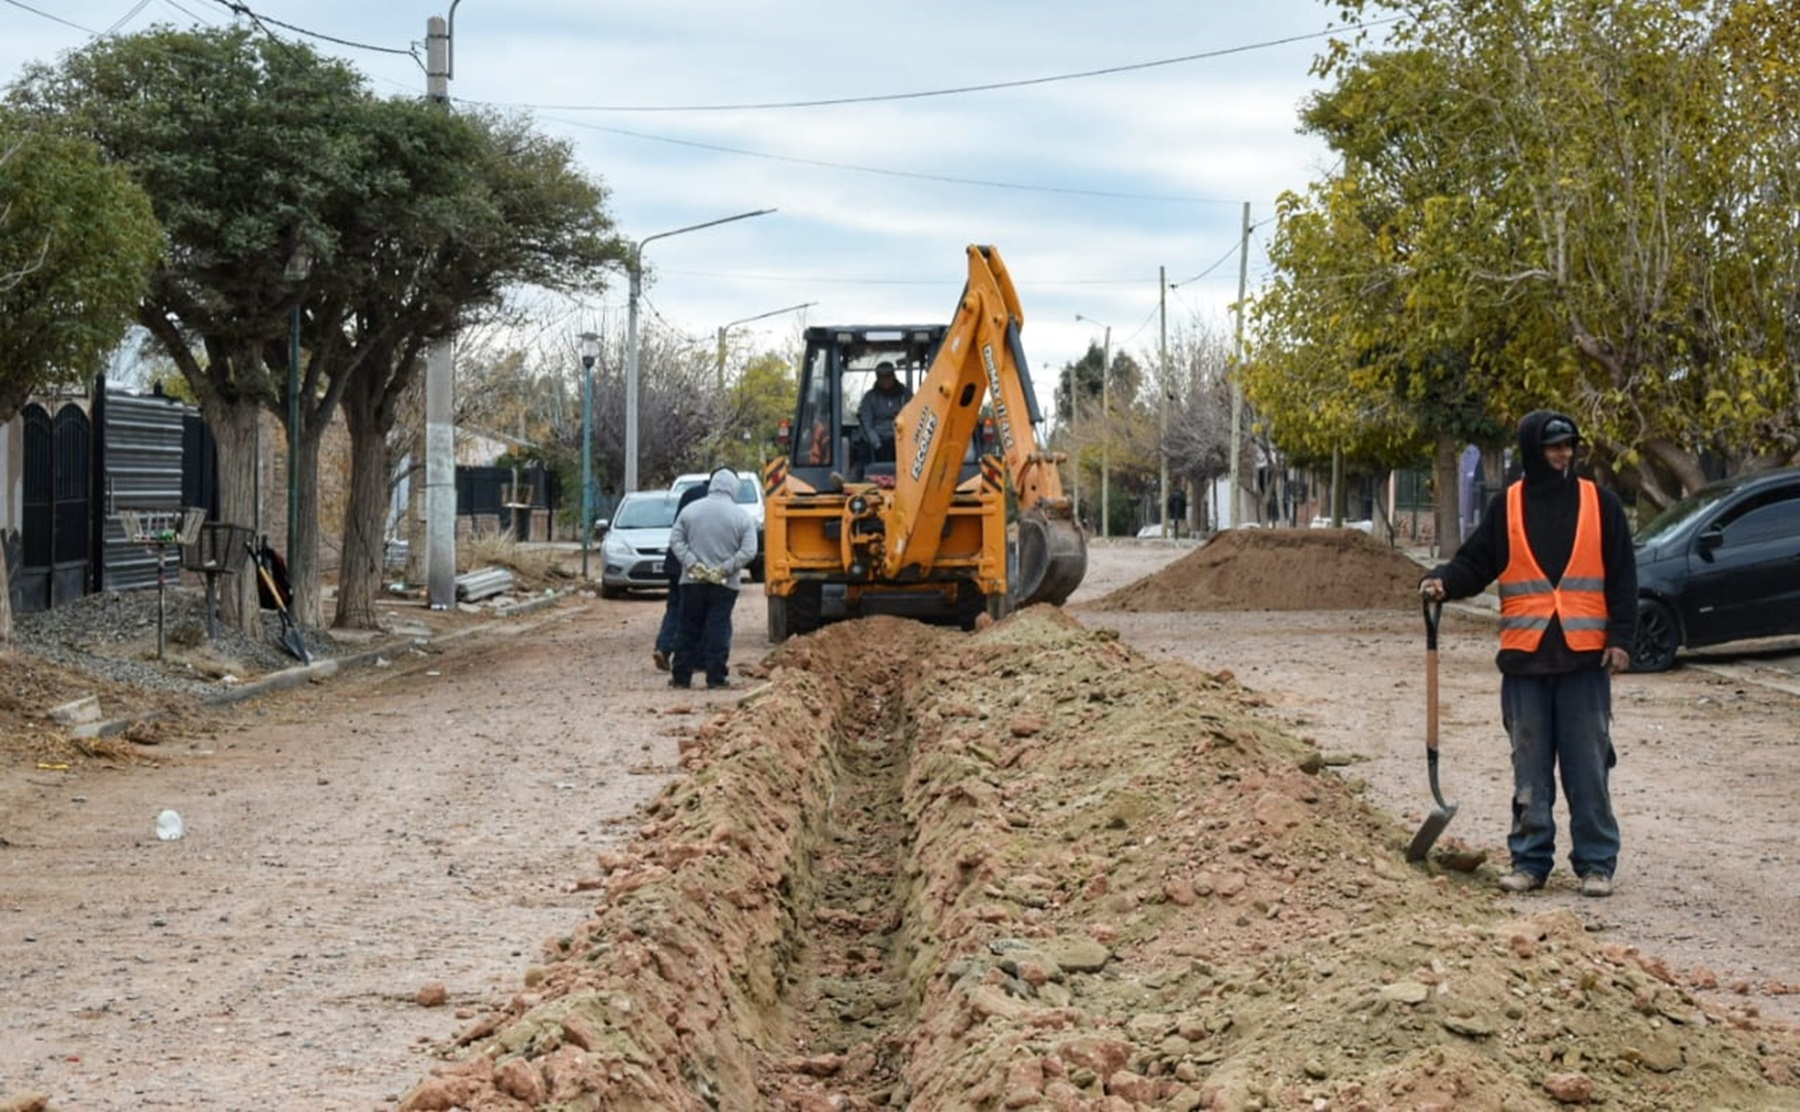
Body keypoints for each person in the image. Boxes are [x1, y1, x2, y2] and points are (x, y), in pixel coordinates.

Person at [1418, 411, 1637, 898]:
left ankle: (1596, 863)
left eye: (1568, 447)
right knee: (1530, 768)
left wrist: (1621, 639)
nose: (1563, 455)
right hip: (1526, 661)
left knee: (1588, 767)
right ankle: (1530, 860)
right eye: (1553, 447)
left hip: (1584, 659)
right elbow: (1476, 563)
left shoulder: (1600, 505)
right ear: (1534, 450)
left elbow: (1623, 576)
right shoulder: (1509, 507)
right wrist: (1442, 581)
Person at [667, 467, 758, 690]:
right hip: (725, 585)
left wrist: (692, 564)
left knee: (688, 626)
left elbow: (675, 541)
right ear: (733, 488)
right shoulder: (742, 517)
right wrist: (725, 569)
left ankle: (681, 676)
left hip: (691, 581)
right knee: (718, 626)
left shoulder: (690, 511)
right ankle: (716, 677)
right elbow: (749, 551)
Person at [652, 482, 709, 671]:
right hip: (693, 565)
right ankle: (696, 658)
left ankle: (663, 647)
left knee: (674, 607)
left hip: (674, 562)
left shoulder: (689, 494)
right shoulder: (714, 501)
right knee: (697, 613)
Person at [856, 361, 911, 463]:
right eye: (882, 377)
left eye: (888, 376)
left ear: (894, 376)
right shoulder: (870, 398)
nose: (886, 380)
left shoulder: (905, 395)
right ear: (877, 378)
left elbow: (914, 416)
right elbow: (867, 425)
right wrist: (877, 445)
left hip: (902, 439)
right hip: (878, 442)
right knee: (863, 452)